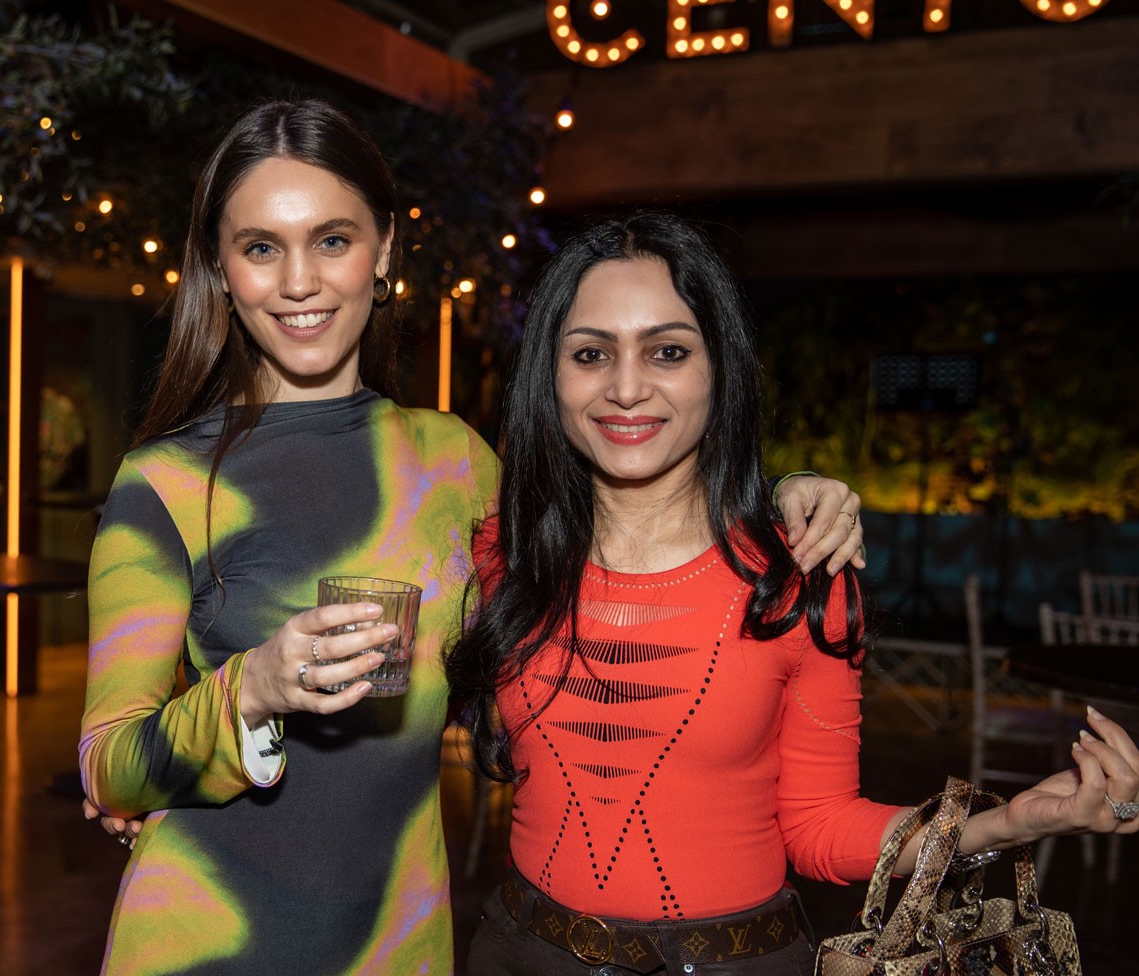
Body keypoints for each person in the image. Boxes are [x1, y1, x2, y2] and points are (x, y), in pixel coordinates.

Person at [78, 101, 868, 975]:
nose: (299, 281)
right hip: (200, 944)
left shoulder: (453, 464)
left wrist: (782, 495)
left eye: (332, 240)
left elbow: (615, 526)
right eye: (261, 247)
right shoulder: (166, 483)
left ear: (384, 250)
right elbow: (108, 765)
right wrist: (252, 690)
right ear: (221, 270)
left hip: (398, 947)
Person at [444, 212, 1139, 976]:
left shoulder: (799, 577)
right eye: (590, 353)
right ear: (549, 376)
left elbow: (819, 827)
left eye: (668, 351)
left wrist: (1008, 823)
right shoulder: (502, 556)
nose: (627, 387)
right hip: (516, 954)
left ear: (720, 371)